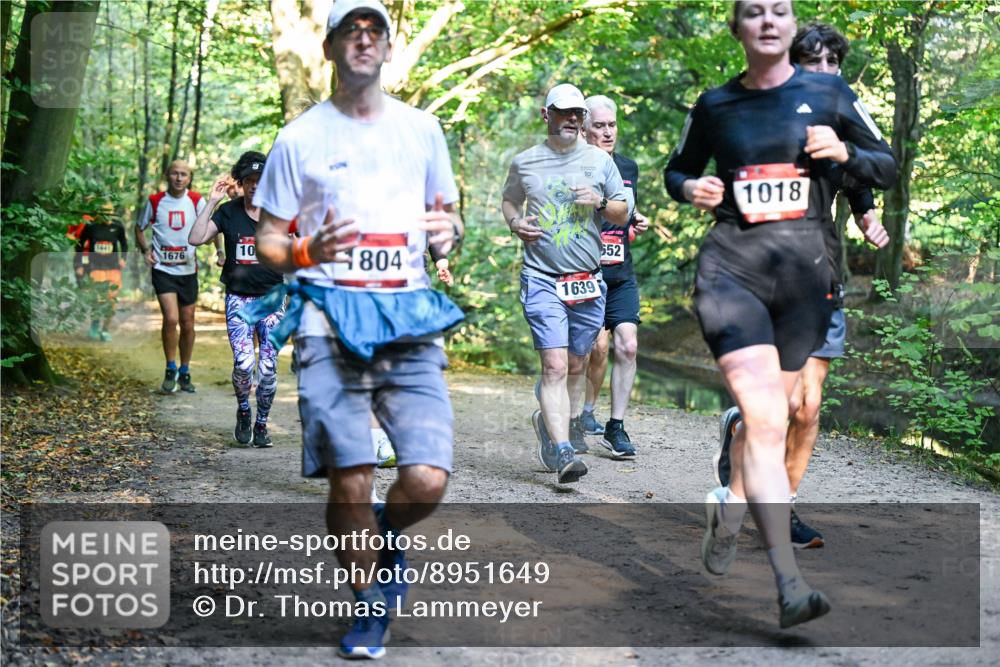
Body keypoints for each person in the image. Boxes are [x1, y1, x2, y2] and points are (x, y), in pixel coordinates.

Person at [663, 0, 896, 628]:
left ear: (791, 28)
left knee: (794, 411)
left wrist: (844, 155)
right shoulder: (715, 105)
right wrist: (692, 188)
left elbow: (887, 165)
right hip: (731, 275)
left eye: (780, 11)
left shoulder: (831, 96)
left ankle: (729, 514)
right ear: (738, 29)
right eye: (753, 12)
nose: (767, 20)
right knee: (767, 418)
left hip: (805, 284)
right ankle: (789, 583)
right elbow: (677, 170)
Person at [251, 0, 464, 658]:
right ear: (330, 48)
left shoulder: (423, 130)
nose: (364, 39)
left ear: (388, 49)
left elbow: (448, 221)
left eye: (376, 30)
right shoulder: (299, 138)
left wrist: (447, 233)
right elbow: (267, 240)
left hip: (408, 318)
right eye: (351, 29)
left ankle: (386, 533)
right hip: (327, 319)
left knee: (427, 477)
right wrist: (309, 250)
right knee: (352, 474)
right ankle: (370, 606)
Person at [714, 21, 892, 550]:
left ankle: (781, 511)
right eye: (811, 62)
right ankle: (741, 437)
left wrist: (866, 213)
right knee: (778, 403)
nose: (823, 73)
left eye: (832, 63)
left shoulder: (843, 115)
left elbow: (863, 171)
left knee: (807, 407)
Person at [502, 83, 629, 484]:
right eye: (564, 112)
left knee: (576, 363)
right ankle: (561, 451)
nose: (572, 119)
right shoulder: (525, 162)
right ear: (546, 115)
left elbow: (623, 212)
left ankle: (548, 422)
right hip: (542, 277)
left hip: (588, 282)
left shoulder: (600, 161)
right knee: (554, 365)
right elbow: (509, 200)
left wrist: (600, 202)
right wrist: (514, 222)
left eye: (578, 113)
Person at [189, 151, 286, 447]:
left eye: (260, 180)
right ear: (241, 183)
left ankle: (262, 424)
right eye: (249, 181)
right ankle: (244, 410)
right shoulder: (229, 212)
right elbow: (195, 238)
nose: (255, 186)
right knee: (244, 364)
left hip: (272, 299)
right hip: (239, 301)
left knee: (268, 368)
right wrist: (212, 201)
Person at [579, 94, 649, 459]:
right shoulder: (573, 165)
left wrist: (635, 218)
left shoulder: (628, 167)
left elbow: (624, 208)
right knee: (584, 351)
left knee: (628, 344)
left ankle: (615, 426)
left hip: (620, 270)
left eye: (612, 125)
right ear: (584, 129)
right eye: (599, 126)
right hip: (581, 270)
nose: (607, 133)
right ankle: (570, 416)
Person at [135, 160, 214, 393]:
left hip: (188, 270)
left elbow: (212, 225)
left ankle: (185, 370)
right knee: (171, 319)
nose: (179, 178)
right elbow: (139, 228)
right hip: (163, 269)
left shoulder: (197, 200)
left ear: (189, 178)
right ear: (167, 176)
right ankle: (170, 367)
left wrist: (218, 249)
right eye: (175, 174)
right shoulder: (155, 201)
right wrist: (145, 250)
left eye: (184, 175)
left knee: (188, 322)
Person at [75, 201, 128, 341]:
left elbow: (124, 244)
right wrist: (79, 264)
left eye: (108, 212)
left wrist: (124, 258)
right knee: (97, 298)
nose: (106, 215)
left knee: (111, 300)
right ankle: (94, 325)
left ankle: (105, 330)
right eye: (103, 212)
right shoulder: (91, 227)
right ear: (99, 214)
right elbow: (79, 245)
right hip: (95, 267)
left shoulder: (117, 227)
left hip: (113, 268)